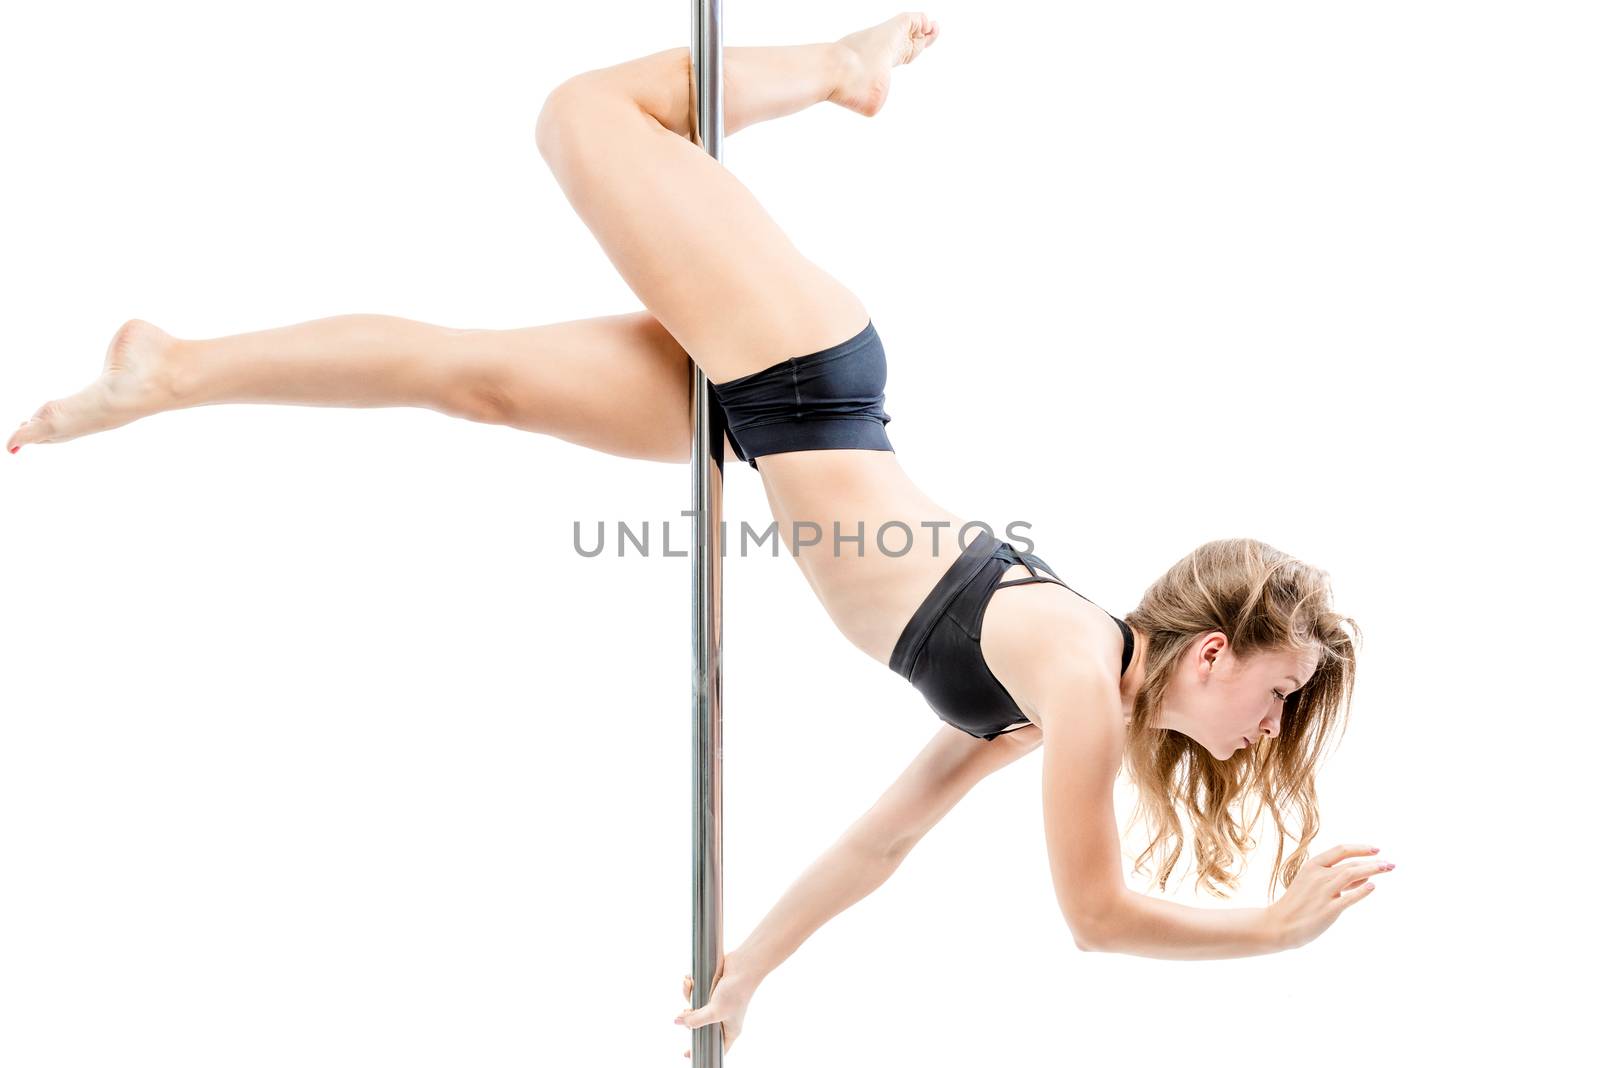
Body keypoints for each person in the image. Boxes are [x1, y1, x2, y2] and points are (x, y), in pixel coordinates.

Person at [6, 12, 1387, 1056]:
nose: (1271, 728)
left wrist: (748, 968)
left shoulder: (1041, 700)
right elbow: (1091, 917)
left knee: (472, 383)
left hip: (760, 427)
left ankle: (175, 369)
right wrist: (1270, 929)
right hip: (805, 374)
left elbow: (881, 841)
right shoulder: (1080, 676)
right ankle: (845, 69)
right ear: (1212, 652)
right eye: (1280, 693)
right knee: (579, 114)